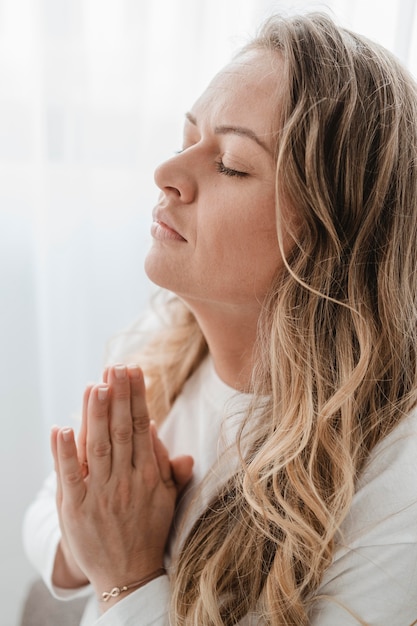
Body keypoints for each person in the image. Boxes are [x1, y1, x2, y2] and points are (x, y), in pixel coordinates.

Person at [23, 12, 417, 626]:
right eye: (187, 140)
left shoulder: (398, 482)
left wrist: (126, 577)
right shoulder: (165, 343)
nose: (166, 174)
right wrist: (96, 535)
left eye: (230, 162)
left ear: (332, 235)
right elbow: (47, 510)